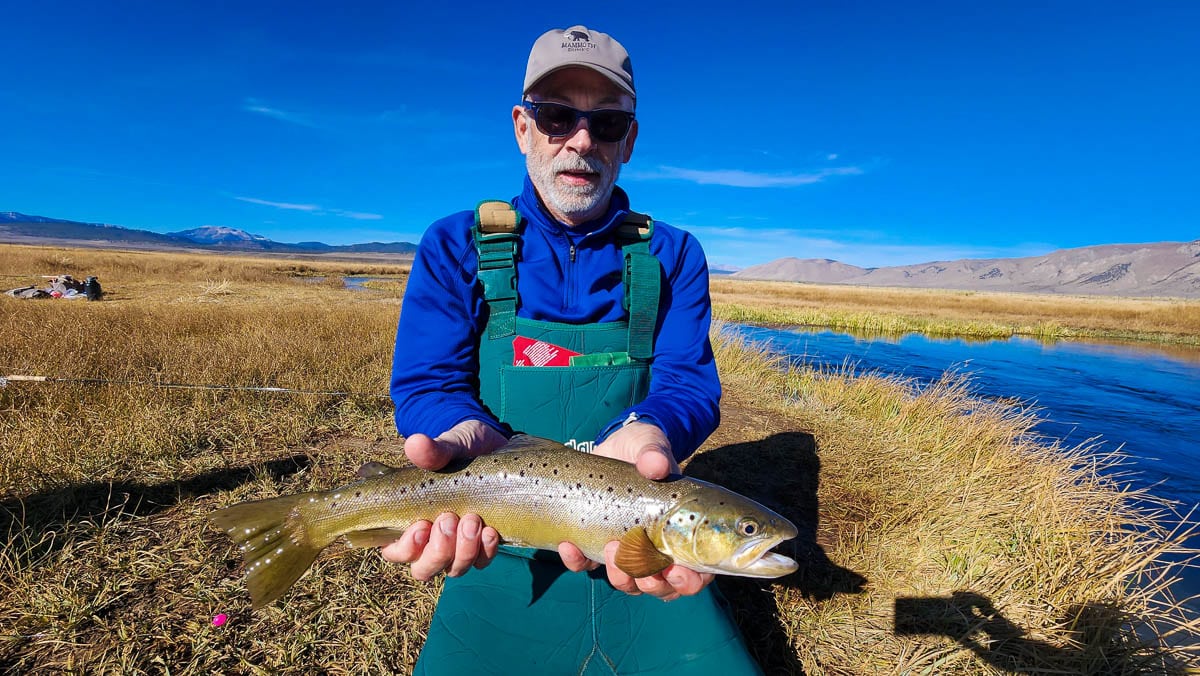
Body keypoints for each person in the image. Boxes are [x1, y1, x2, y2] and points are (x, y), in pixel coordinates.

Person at [387, 25, 761, 674]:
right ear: (522, 128)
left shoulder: (673, 256)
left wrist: (652, 430)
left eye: (607, 123)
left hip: (638, 537)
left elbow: (688, 385)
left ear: (630, 141)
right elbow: (426, 384)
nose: (581, 141)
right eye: (557, 116)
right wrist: (455, 430)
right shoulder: (454, 247)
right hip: (493, 535)